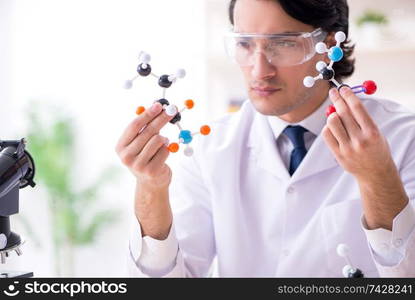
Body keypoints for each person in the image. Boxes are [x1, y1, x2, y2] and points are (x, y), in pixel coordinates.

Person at [116, 0, 415, 277]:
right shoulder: (211, 148)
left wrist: (379, 180)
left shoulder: (404, 137)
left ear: (326, 45)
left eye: (283, 43)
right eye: (244, 43)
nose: (259, 70)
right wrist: (151, 190)